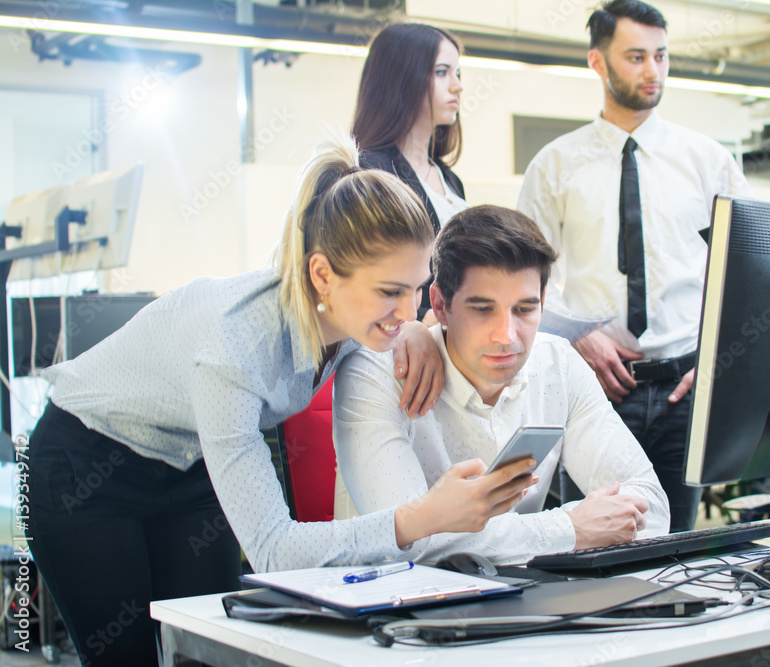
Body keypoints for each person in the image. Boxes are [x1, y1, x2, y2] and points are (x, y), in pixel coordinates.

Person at [25, 135, 537, 666]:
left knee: (205, 652)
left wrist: (416, 332)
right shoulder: (234, 349)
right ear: (322, 274)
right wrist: (424, 518)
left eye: (415, 288)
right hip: (84, 466)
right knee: (125, 656)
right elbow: (275, 551)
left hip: (190, 465)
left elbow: (401, 324)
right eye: (390, 291)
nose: (407, 310)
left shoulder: (355, 323)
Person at [516, 0, 753, 532]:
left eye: (661, 57)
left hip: (683, 390)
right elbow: (520, 278)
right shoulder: (555, 165)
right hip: (593, 388)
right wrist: (577, 335)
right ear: (598, 64)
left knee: (679, 547)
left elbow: (746, 269)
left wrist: (715, 357)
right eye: (636, 57)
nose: (653, 71)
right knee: (598, 543)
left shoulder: (708, 160)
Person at [333, 204, 669, 564]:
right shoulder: (377, 374)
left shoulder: (559, 365)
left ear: (543, 303)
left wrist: (559, 534)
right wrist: (572, 529)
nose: (506, 336)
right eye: (483, 309)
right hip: (395, 607)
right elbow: (408, 542)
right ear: (440, 305)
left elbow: (652, 507)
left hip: (527, 602)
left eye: (524, 309)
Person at [353, 22, 468, 322]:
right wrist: (424, 318)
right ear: (403, 78)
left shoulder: (451, 180)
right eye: (442, 73)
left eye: (457, 73)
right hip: (399, 345)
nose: (457, 86)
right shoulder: (370, 173)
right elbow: (372, 281)